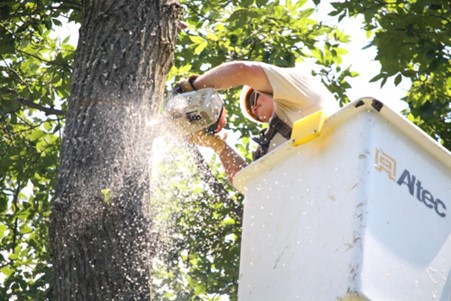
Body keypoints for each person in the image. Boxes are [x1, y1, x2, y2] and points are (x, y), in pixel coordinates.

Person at [175, 61, 339, 183]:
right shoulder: (272, 144)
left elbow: (243, 71)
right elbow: (247, 183)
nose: (254, 109)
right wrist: (220, 147)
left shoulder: (300, 88)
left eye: (254, 98)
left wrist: (193, 88)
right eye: (253, 112)